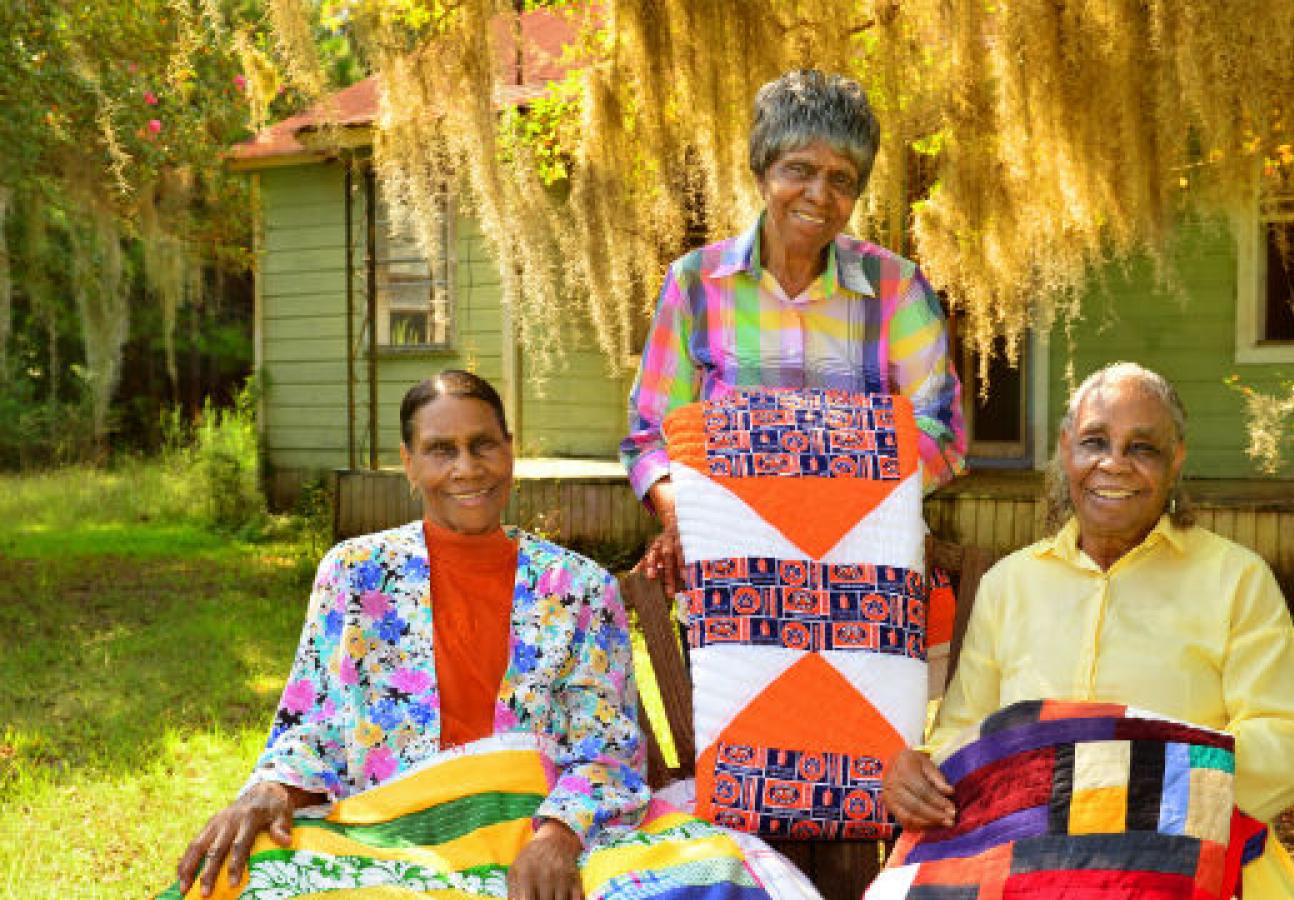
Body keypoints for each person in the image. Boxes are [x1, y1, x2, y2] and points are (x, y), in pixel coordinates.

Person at [174, 370, 645, 900]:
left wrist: (558, 837)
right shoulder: (355, 574)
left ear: (510, 451)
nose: (467, 468)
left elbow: (607, 748)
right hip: (383, 835)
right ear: (409, 464)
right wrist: (272, 788)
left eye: (482, 444)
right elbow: (316, 725)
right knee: (224, 886)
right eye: (441, 450)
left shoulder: (578, 587)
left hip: (528, 834)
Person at [883, 361, 1294, 898]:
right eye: (1095, 441)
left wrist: (1129, 787)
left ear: (1176, 460)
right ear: (1066, 450)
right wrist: (921, 775)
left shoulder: (1235, 579)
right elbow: (964, 736)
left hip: (1195, 863)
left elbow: (1288, 746)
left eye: (1142, 447)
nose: (1113, 463)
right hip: (1029, 872)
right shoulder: (1010, 585)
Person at [621, 69, 967, 594]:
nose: (819, 195)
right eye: (798, 170)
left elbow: (942, 433)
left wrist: (829, 508)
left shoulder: (898, 288)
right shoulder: (695, 284)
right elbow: (650, 436)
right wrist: (678, 517)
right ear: (762, 174)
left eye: (842, 179)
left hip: (866, 572)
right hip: (730, 571)